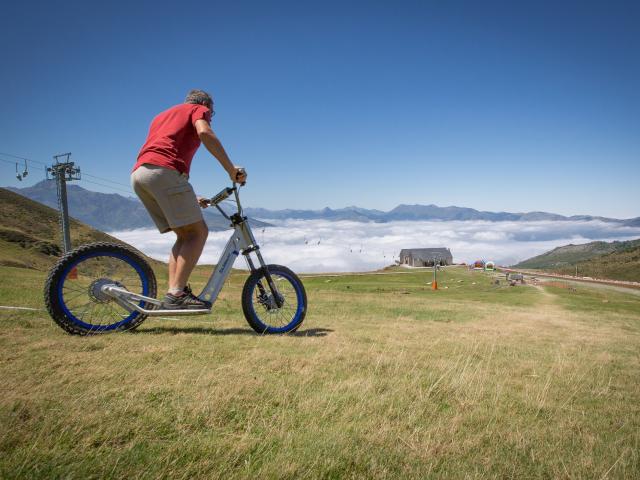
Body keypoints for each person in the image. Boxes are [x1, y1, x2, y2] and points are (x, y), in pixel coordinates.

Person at [131, 89, 247, 309]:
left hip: (140, 175)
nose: (211, 116)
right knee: (198, 233)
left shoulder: (162, 116)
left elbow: (159, 157)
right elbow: (205, 134)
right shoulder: (198, 109)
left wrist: (191, 197)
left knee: (184, 236)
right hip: (165, 172)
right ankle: (176, 294)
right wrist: (231, 170)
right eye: (212, 113)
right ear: (205, 105)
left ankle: (175, 291)